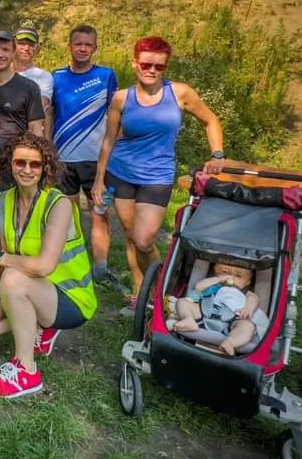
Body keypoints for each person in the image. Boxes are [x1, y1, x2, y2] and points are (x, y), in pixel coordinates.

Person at [92, 36, 226, 311]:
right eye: (146, 64)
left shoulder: (179, 93)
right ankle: (139, 292)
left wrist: (217, 154)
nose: (152, 70)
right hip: (121, 173)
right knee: (130, 236)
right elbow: (108, 140)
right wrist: (98, 180)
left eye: (159, 66)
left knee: (144, 239)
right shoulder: (122, 98)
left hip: (157, 177)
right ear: (135, 64)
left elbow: (211, 120)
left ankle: (162, 290)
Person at [0, 133, 97, 398]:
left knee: (13, 280)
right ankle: (39, 325)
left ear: (46, 168)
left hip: (70, 297)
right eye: (20, 163)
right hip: (36, 288)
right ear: (9, 164)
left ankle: (26, 371)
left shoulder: (58, 204)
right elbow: (12, 252)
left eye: (35, 164)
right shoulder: (3, 200)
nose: (27, 170)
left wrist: (3, 263)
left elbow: (42, 266)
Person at [48, 24, 123, 291]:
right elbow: (49, 115)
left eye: (87, 45)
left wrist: (116, 149)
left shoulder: (106, 76)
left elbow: (116, 116)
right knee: (66, 218)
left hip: (97, 161)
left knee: (100, 216)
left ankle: (100, 271)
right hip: (63, 159)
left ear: (95, 48)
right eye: (77, 44)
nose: (82, 49)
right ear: (69, 46)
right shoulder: (55, 77)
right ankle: (70, 267)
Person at [0, 31, 45, 275]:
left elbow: (36, 129)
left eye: (5, 49)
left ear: (13, 51)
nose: (0, 54)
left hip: (14, 166)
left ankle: (9, 279)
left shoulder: (28, 87)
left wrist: (34, 167)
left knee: (12, 228)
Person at [170, 263, 268, 356]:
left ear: (247, 282)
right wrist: (218, 279)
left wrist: (248, 308)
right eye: (225, 272)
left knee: (247, 326)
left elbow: (254, 299)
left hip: (233, 319)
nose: (230, 277)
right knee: (182, 302)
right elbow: (198, 287)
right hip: (203, 313)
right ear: (215, 273)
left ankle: (230, 342)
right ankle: (188, 319)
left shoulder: (246, 293)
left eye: (238, 276)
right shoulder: (213, 286)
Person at [12, 24, 53, 114]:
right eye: (21, 44)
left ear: (37, 49)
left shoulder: (44, 77)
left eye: (31, 45)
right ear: (12, 46)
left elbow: (41, 106)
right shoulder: (0, 74)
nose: (26, 48)